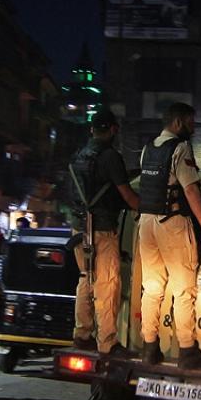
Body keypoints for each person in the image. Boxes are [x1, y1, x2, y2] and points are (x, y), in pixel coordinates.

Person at [137, 102, 201, 369]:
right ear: (179, 122)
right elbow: (191, 190)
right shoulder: (181, 148)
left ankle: (149, 348)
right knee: (183, 289)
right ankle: (187, 350)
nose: (194, 128)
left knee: (152, 288)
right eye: (191, 123)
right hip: (172, 223)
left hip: (146, 223)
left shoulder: (147, 149)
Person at [69, 110, 139, 356]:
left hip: (79, 228)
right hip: (102, 229)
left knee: (85, 279)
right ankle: (108, 342)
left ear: (91, 129)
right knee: (107, 284)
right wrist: (148, 208)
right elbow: (127, 195)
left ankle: (82, 335)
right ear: (113, 129)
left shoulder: (79, 155)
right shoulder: (110, 157)